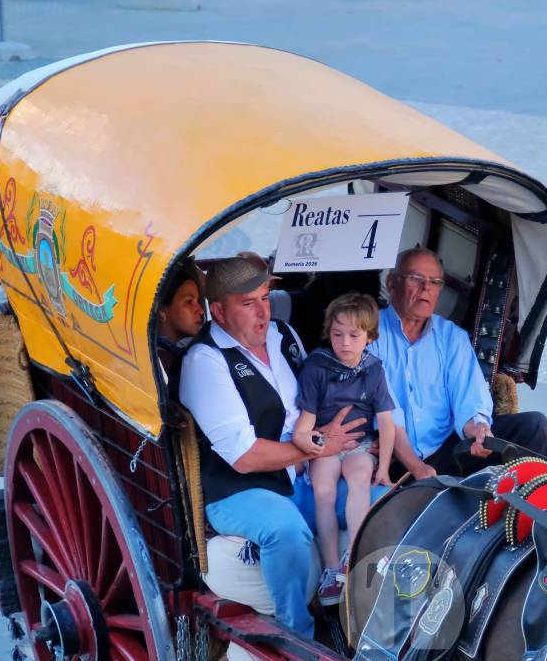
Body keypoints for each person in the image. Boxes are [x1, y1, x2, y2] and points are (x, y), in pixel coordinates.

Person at [178, 255, 364, 637]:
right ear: (219, 311)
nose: (263, 312)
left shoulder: (283, 336)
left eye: (265, 298)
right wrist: (319, 447)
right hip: (241, 490)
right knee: (285, 531)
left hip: (304, 478)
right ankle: (300, 637)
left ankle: (370, 626)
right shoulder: (206, 361)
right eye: (248, 304)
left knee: (382, 501)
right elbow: (244, 457)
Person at [370, 247, 547, 478]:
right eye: (416, 279)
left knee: (533, 426)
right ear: (391, 283)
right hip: (393, 456)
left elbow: (469, 398)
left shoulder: (451, 337)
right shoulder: (369, 333)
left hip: (444, 451)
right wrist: (417, 468)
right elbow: (389, 414)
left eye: (435, 281)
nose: (426, 288)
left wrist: (478, 429)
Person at [292, 294, 396, 606]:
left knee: (360, 476)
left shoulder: (374, 370)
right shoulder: (317, 368)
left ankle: (355, 556)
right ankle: (330, 567)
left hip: (359, 445)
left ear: (370, 337)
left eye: (354, 336)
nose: (345, 343)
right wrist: (318, 447)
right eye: (337, 334)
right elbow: (305, 425)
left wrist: (386, 467)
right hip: (323, 447)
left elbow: (387, 423)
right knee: (323, 491)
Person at [155, 265, 205, 386]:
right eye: (189, 301)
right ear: (162, 310)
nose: (201, 311)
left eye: (198, 301)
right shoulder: (160, 363)